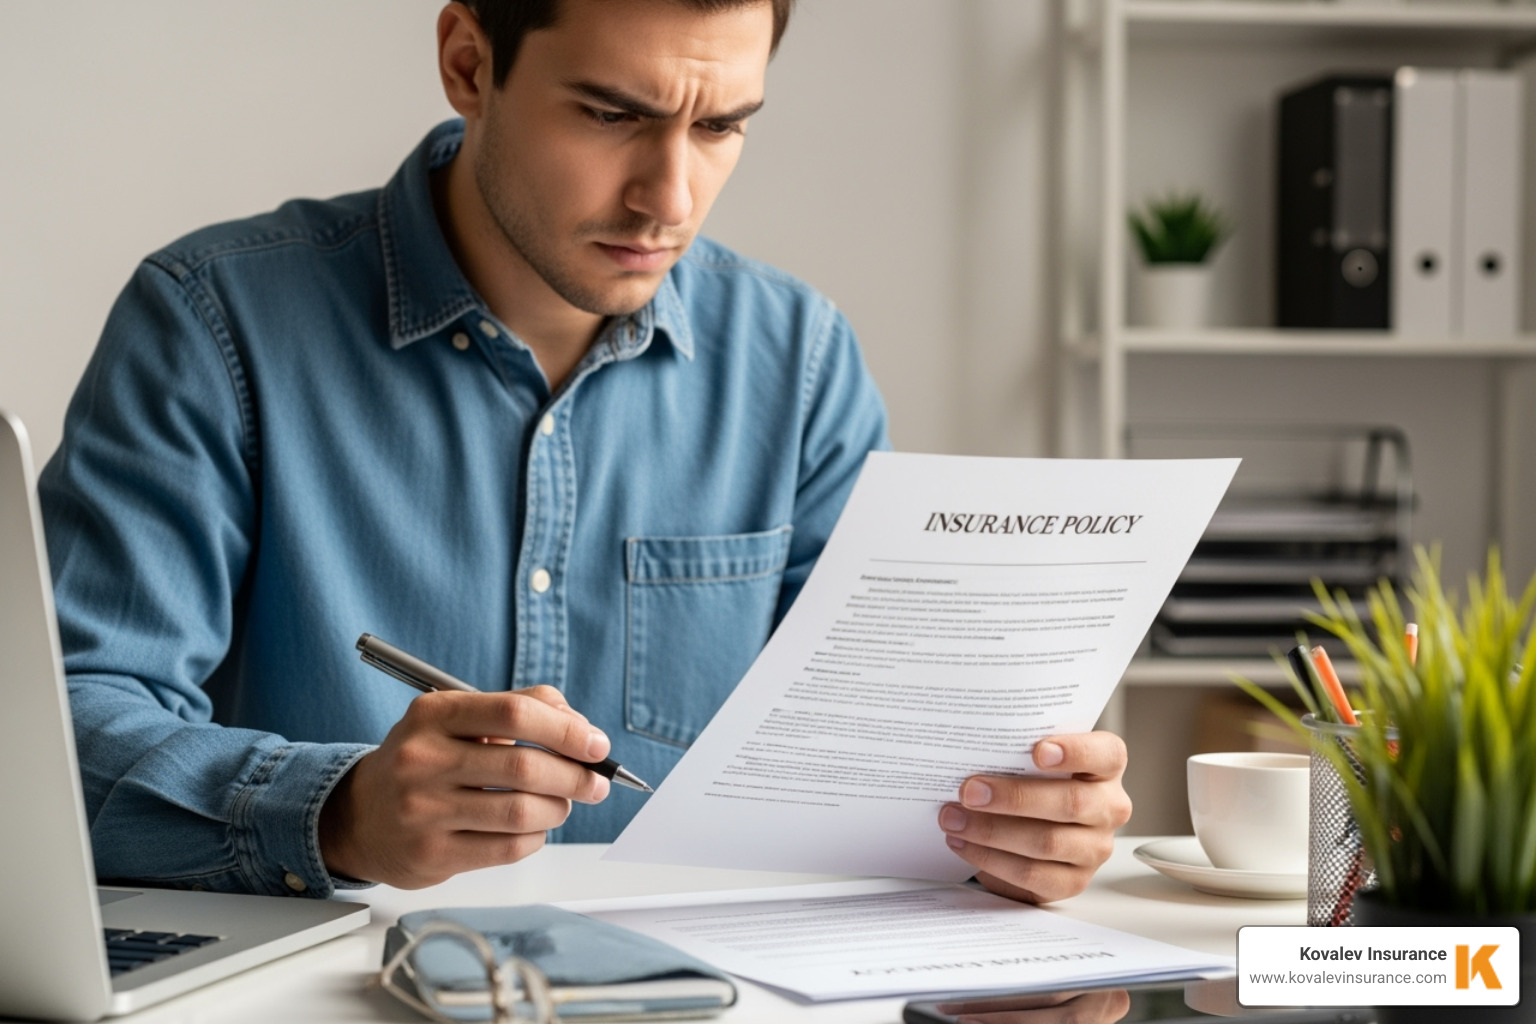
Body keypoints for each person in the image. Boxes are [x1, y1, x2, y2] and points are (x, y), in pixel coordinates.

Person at [38, 0, 1130, 905]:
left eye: (720, 128)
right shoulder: (212, 324)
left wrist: (1012, 821)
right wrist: (336, 811)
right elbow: (56, 733)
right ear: (469, 63)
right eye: (613, 114)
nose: (670, 198)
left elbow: (880, 757)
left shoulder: (798, 360)